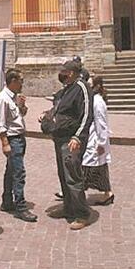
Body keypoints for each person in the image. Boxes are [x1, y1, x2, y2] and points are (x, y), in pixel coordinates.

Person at [43, 60, 93, 230]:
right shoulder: (67, 88)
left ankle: (82, 213)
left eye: (64, 71)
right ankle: (69, 207)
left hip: (71, 140)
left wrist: (78, 137)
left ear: (71, 72)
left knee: (73, 177)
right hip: (60, 138)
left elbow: (87, 115)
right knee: (63, 175)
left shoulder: (82, 87)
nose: (62, 74)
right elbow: (59, 109)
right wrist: (48, 117)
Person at [0, 69, 37, 222]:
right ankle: (20, 207)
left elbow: (19, 116)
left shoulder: (14, 98)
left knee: (11, 171)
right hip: (13, 140)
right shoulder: (2, 99)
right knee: (19, 173)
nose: (22, 84)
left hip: (19, 138)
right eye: (21, 81)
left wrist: (22, 106)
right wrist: (5, 143)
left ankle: (6, 201)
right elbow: (0, 124)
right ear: (13, 81)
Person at [82, 76, 113, 206]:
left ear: (97, 86)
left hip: (95, 140)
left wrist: (101, 142)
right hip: (92, 138)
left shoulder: (97, 102)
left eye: (90, 85)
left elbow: (101, 123)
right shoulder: (92, 100)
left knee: (86, 166)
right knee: (99, 167)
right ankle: (107, 193)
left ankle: (73, 192)